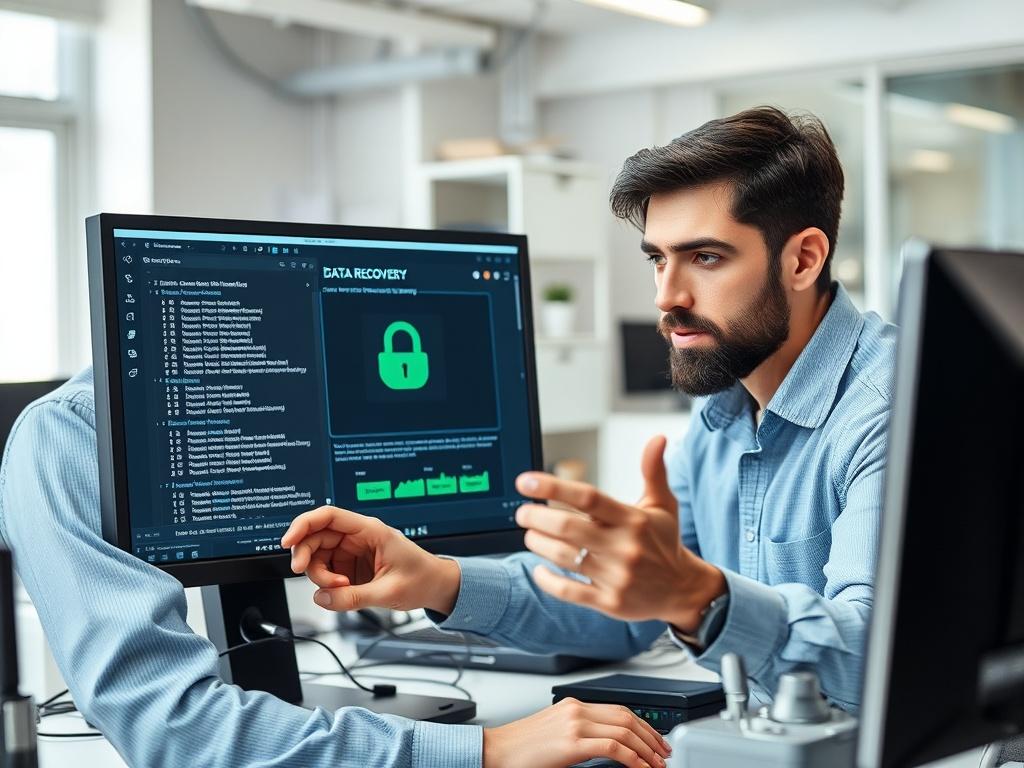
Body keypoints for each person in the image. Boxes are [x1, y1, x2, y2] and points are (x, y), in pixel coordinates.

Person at [283, 106, 895, 712]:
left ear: (803, 260)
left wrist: (696, 595)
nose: (666, 296)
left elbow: (878, 660)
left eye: (706, 258)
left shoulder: (889, 412)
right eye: (658, 258)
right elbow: (623, 605)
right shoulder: (725, 407)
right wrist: (437, 578)